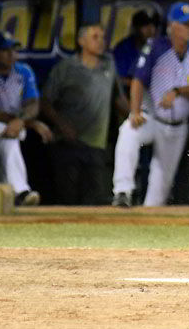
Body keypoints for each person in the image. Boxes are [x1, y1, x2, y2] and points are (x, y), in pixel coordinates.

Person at [112, 2, 189, 207]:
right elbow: (138, 80)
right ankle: (122, 191)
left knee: (160, 190)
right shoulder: (156, 47)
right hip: (153, 118)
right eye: (186, 24)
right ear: (173, 26)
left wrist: (178, 91)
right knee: (128, 132)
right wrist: (135, 111)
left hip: (178, 127)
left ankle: (146, 223)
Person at [41, 24, 128, 205]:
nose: (101, 42)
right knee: (67, 196)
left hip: (97, 144)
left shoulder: (109, 65)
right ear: (81, 41)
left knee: (96, 196)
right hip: (68, 142)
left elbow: (118, 99)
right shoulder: (65, 68)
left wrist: (135, 114)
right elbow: (45, 102)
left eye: (103, 37)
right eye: (95, 37)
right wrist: (62, 124)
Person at [0, 32, 51, 206]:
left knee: (10, 140)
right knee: (8, 135)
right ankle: (19, 191)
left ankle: (20, 192)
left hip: (9, 129)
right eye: (4, 50)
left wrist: (21, 121)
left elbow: (32, 104)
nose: (11, 54)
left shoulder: (23, 71)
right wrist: (24, 122)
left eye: (13, 49)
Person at [112, 9, 160, 92]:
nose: (150, 30)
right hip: (129, 93)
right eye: (145, 26)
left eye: (153, 25)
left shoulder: (158, 47)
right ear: (135, 28)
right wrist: (141, 85)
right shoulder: (123, 48)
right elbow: (118, 79)